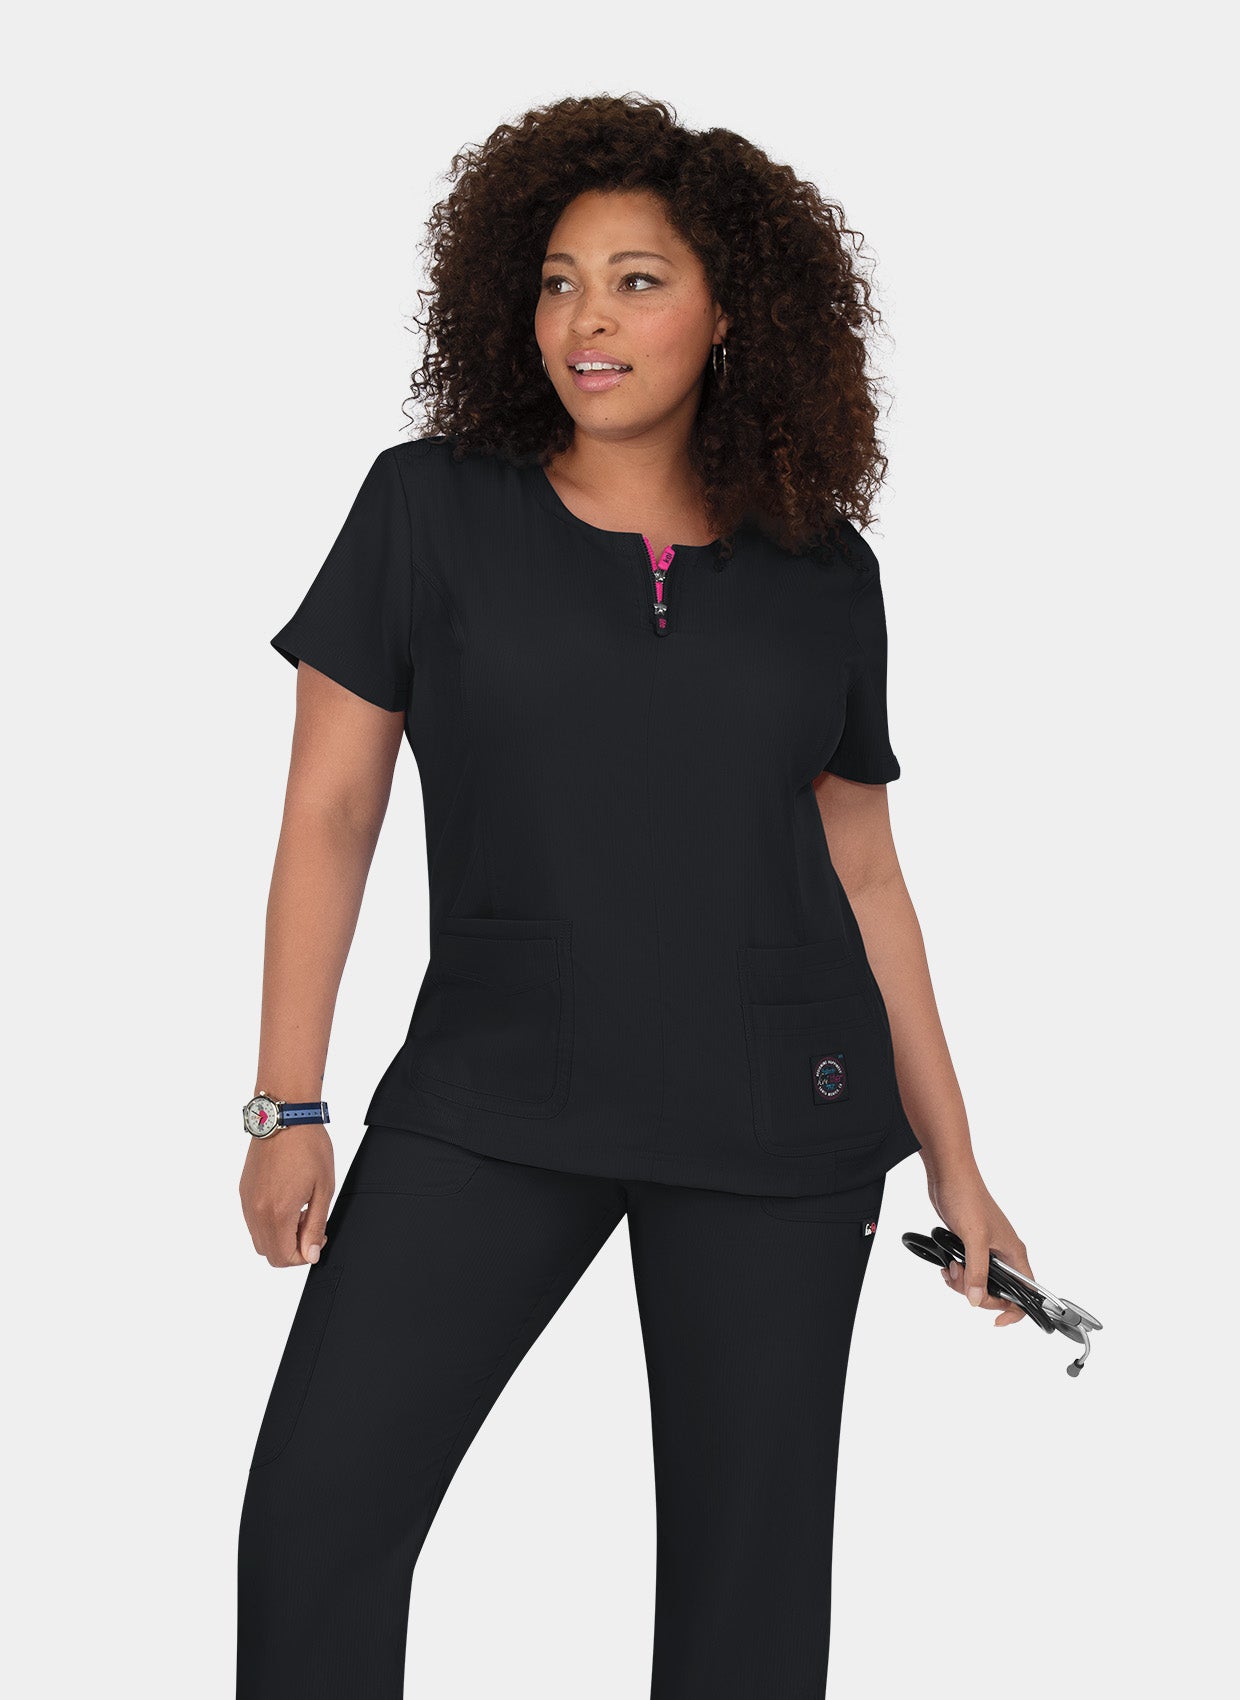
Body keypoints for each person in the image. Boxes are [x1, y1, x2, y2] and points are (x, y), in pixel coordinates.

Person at [236, 92, 1036, 1698]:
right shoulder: (428, 507)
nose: (585, 321)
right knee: (317, 1524)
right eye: (557, 281)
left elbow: (867, 874)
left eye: (637, 281)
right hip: (493, 1096)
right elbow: (332, 811)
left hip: (780, 1122)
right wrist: (287, 1103)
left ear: (732, 311)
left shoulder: (825, 569)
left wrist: (960, 1167)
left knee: (749, 1605)